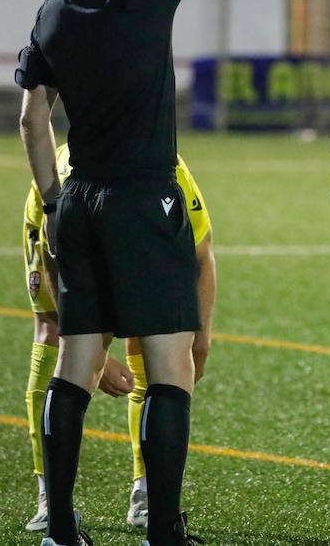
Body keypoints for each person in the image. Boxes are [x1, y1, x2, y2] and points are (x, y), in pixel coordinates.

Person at [15, 0, 252, 546]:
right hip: (146, 200)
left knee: (73, 367)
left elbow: (31, 120)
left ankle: (60, 527)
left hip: (78, 203)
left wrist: (53, 203)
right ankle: (163, 530)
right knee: (168, 366)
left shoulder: (52, 13)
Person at [21, 144, 216, 534]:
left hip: (127, 213)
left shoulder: (168, 168)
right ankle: (50, 496)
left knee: (152, 343)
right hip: (63, 220)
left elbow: (201, 252)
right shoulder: (67, 175)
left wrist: (201, 337)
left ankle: (145, 490)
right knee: (51, 335)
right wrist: (89, 349)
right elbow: (56, 258)